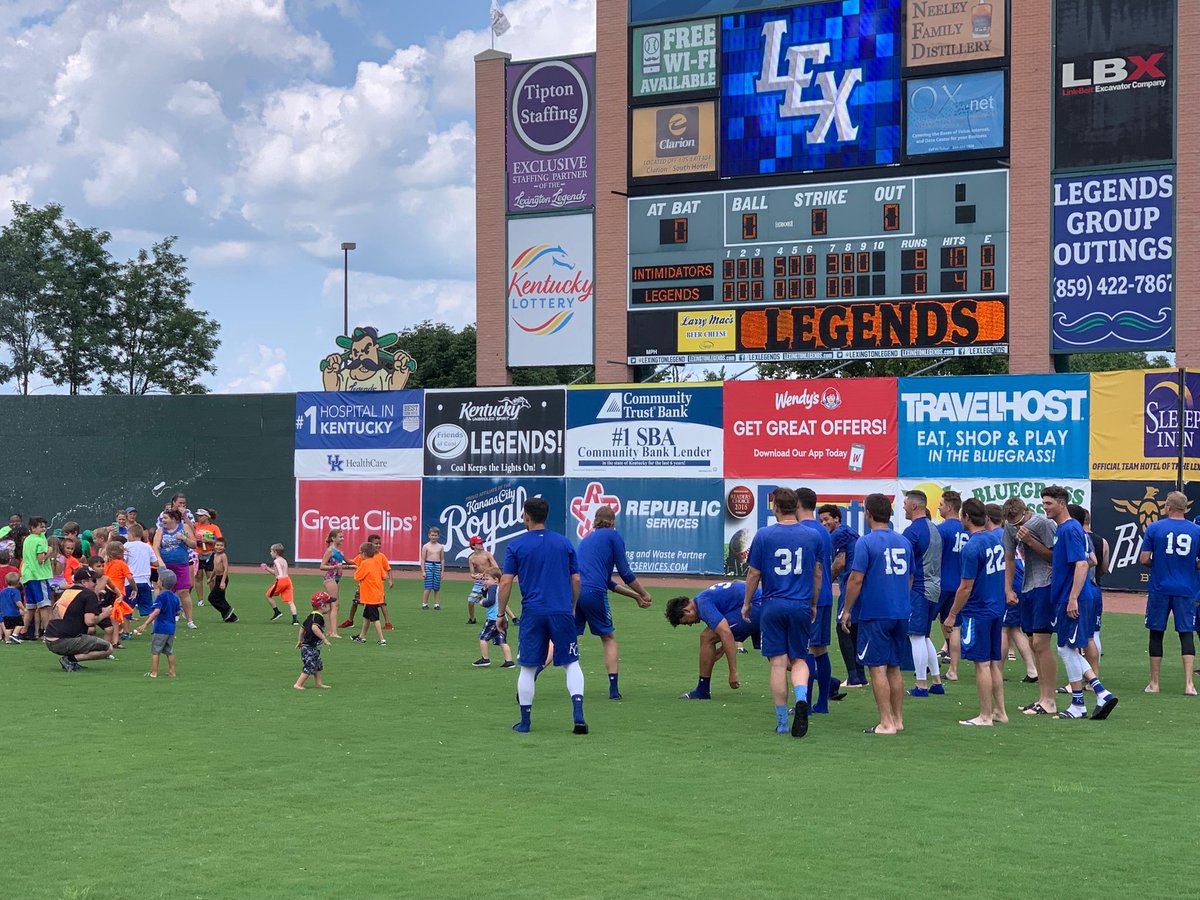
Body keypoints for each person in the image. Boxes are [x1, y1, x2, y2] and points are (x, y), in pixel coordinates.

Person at [495, 497, 586, 735]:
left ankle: (525, 722)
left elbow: (505, 582)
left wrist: (501, 614)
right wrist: (572, 605)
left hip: (533, 612)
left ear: (526, 515)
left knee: (527, 667)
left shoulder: (517, 545)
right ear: (545, 516)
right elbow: (576, 579)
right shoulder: (564, 543)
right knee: (571, 663)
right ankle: (578, 715)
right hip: (561, 611)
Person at [742, 487, 823, 738]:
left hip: (773, 604)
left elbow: (754, 573)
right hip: (799, 604)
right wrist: (813, 603)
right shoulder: (812, 536)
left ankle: (781, 722)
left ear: (775, 507)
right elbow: (818, 573)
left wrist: (746, 603)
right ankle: (801, 698)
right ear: (796, 507)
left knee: (777, 663)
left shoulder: (764, 535)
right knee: (799, 658)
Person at [1043, 485, 1118, 720]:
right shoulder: (1069, 529)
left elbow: (1084, 564)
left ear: (1062, 503)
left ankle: (1098, 693)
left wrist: (1072, 597)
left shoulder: (1068, 529)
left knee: (1066, 648)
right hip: (1069, 594)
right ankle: (1082, 702)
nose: (1045, 507)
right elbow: (1086, 559)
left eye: (1049, 503)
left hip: (1072, 597)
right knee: (1068, 648)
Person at [840, 493, 911, 735]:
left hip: (876, 613)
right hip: (900, 611)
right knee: (894, 667)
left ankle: (886, 722)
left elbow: (856, 578)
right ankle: (897, 719)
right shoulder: (904, 542)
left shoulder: (866, 542)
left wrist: (847, 609)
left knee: (877, 667)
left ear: (868, 513)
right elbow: (910, 577)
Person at [575, 506, 652, 700]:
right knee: (608, 638)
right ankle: (613, 690)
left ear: (595, 520)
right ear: (613, 521)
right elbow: (625, 573)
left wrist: (635, 597)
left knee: (565, 638)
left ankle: (533, 673)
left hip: (574, 593)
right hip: (594, 593)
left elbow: (608, 581)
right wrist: (643, 592)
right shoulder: (613, 536)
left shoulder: (586, 540)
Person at [942, 499, 1006, 726]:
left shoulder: (972, 546)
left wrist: (951, 615)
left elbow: (965, 587)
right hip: (996, 607)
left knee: (982, 663)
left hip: (979, 610)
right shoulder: (995, 540)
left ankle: (985, 715)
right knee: (993, 661)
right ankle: (1000, 711)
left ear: (966, 517)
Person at [1137, 490, 1200, 695]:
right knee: (1186, 633)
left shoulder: (1155, 528)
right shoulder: (1196, 530)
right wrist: (1190, 566)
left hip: (1160, 587)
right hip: (1186, 588)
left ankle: (1154, 683)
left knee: (1156, 633)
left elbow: (1144, 558)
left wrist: (1160, 565)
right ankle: (1189, 684)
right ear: (1185, 508)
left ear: (1168, 507)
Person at [1002, 496, 1059, 716]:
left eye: (1017, 521)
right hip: (1027, 587)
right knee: (1034, 643)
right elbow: (1009, 558)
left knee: (1042, 643)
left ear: (1026, 511)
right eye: (1011, 523)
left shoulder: (1042, 523)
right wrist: (1008, 589)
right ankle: (1043, 697)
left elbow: (1056, 556)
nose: (1016, 527)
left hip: (1045, 585)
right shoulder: (1009, 526)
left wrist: (1031, 541)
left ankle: (1049, 699)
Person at [665, 580, 761, 699]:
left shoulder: (703, 604)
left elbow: (726, 632)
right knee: (777, 657)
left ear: (686, 611)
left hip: (756, 605)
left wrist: (733, 672)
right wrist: (721, 650)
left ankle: (702, 690)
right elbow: (736, 584)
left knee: (707, 637)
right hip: (762, 603)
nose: (690, 624)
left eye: (685, 622)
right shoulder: (702, 597)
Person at [797, 488, 839, 712]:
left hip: (809, 597)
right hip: (824, 595)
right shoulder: (823, 531)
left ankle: (806, 703)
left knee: (807, 651)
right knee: (820, 649)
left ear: (797, 504)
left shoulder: (802, 530)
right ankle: (821, 703)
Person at [902, 491, 944, 697]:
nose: (903, 508)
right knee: (924, 636)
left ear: (914, 506)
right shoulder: (934, 529)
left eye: (905, 504)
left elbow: (905, 565)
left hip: (919, 588)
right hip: (935, 587)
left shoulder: (913, 532)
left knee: (916, 636)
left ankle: (921, 685)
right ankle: (936, 681)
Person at [819, 504, 864, 688]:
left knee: (842, 626)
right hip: (859, 582)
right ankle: (860, 676)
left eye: (826, 519)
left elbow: (839, 563)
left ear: (837, 518)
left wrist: (823, 583)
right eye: (821, 520)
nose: (823, 523)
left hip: (850, 582)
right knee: (853, 627)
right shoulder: (850, 532)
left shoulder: (838, 534)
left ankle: (853, 677)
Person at [44, 567, 114, 672]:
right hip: (63, 641)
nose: (96, 584)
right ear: (84, 582)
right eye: (93, 581)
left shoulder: (67, 592)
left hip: (50, 639)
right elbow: (89, 621)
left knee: (89, 633)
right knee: (108, 648)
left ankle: (72, 661)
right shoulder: (89, 594)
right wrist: (104, 614)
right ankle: (69, 660)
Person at [935, 490, 966, 679]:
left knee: (921, 628)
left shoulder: (941, 529)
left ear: (949, 506)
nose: (938, 507)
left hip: (941, 582)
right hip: (960, 584)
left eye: (941, 504)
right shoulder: (966, 528)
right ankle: (953, 670)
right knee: (954, 626)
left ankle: (927, 666)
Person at [133, 569, 182, 678]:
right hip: (171, 628)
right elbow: (178, 611)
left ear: (161, 582)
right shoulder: (175, 597)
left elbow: (156, 612)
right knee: (169, 651)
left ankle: (154, 672)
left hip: (160, 628)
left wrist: (145, 624)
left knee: (155, 651)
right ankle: (172, 671)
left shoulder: (160, 597)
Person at [153, 508, 197, 628]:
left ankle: (189, 620)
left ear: (173, 519)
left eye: (165, 518)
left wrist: (184, 539)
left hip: (181, 564)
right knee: (163, 590)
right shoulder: (160, 531)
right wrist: (160, 562)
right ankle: (160, 617)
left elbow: (194, 544)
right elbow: (156, 547)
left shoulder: (184, 528)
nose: (163, 520)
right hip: (166, 566)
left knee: (183, 591)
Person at [473, 567, 515, 668]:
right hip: (503, 618)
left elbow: (490, 601)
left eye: (487, 579)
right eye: (484, 579)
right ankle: (509, 661)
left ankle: (485, 659)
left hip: (493, 619)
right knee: (502, 641)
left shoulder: (493, 588)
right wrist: (484, 589)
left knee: (483, 638)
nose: (485, 581)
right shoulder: (499, 588)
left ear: (496, 580)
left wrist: (483, 603)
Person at [21, 516, 54, 641]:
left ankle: (21, 631)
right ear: (33, 527)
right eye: (41, 527)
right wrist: (50, 551)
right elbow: (41, 560)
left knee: (30, 607)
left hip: (27, 576)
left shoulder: (27, 539)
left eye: (44, 527)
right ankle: (48, 633)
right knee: (45, 606)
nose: (43, 529)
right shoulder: (41, 540)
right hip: (39, 576)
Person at [351, 541, 389, 646]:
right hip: (377, 594)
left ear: (363, 554)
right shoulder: (376, 562)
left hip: (370, 596)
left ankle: (382, 639)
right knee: (366, 616)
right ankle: (362, 637)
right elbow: (384, 576)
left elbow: (356, 577)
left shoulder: (364, 564)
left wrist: (358, 569)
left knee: (375, 618)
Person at [295, 593, 334, 689]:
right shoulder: (318, 617)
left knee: (317, 664)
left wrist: (300, 640)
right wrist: (324, 639)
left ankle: (318, 683)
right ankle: (298, 684)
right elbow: (314, 628)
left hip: (309, 646)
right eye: (328, 604)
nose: (330, 606)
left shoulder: (310, 616)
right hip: (310, 647)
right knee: (310, 665)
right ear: (322, 606)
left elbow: (302, 628)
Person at [319, 529, 352, 636]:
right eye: (340, 537)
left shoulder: (339, 552)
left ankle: (330, 631)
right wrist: (334, 566)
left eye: (342, 536)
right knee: (335, 605)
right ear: (333, 538)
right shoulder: (330, 551)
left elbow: (348, 562)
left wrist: (360, 563)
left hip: (335, 579)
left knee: (331, 605)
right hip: (330, 578)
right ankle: (333, 632)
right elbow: (322, 566)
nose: (342, 538)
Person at [123, 524, 157, 619]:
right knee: (149, 608)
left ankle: (125, 632)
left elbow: (123, 561)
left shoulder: (127, 546)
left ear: (132, 535)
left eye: (128, 534)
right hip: (145, 582)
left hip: (131, 582)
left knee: (127, 609)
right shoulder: (147, 547)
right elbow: (155, 562)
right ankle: (155, 628)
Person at [262, 543, 298, 625]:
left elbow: (277, 573)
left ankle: (277, 612)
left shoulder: (276, 561)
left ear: (275, 552)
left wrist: (266, 568)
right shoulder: (284, 560)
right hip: (288, 580)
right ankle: (295, 620)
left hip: (281, 581)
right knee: (290, 601)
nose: (270, 553)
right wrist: (267, 568)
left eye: (271, 551)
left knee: (268, 595)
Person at [466, 535, 500, 621]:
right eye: (479, 543)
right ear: (473, 546)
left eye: (482, 542)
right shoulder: (471, 558)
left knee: (497, 600)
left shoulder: (487, 554)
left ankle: (513, 617)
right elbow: (472, 574)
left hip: (491, 580)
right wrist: (475, 576)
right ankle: (472, 619)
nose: (482, 544)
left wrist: (485, 574)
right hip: (479, 582)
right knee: (470, 601)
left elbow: (496, 567)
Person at [193, 509, 222, 602]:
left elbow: (219, 541)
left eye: (201, 516)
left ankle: (213, 598)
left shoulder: (214, 527)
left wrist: (208, 540)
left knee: (211, 577)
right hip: (198, 554)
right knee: (198, 577)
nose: (199, 517)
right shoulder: (195, 525)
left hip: (209, 554)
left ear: (206, 517)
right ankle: (200, 600)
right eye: (198, 516)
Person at [206, 538, 238, 623]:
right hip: (217, 578)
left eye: (221, 545)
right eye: (217, 545)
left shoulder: (223, 556)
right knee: (221, 598)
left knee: (212, 598)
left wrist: (223, 581)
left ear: (224, 547)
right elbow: (215, 569)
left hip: (223, 578)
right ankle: (231, 617)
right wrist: (211, 578)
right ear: (214, 546)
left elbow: (226, 569)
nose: (219, 547)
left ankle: (228, 609)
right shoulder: (215, 555)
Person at [421, 526, 445, 613]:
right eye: (432, 535)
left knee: (436, 587)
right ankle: (424, 603)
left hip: (437, 566)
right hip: (428, 565)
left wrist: (442, 571)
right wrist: (423, 571)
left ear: (438, 536)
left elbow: (442, 559)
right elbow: (423, 559)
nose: (433, 537)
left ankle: (436, 604)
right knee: (428, 586)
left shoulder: (440, 547)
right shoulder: (426, 546)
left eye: (435, 535)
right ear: (429, 535)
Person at [1, 571, 25, 642]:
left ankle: (7, 639)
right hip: (14, 612)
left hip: (5, 612)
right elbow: (17, 601)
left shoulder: (3, 591)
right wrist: (23, 608)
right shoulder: (15, 591)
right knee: (20, 624)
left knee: (8, 627)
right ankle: (15, 635)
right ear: (18, 582)